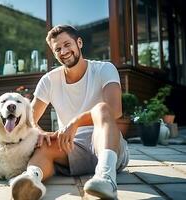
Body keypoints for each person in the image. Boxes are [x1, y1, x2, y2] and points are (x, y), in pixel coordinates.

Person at [10, 24, 129, 200]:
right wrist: (41, 133)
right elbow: (29, 118)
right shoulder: (49, 80)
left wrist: (76, 122)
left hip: (107, 142)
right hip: (71, 146)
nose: (63, 51)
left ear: (79, 43)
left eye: (67, 44)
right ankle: (31, 181)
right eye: (57, 48)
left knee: (101, 108)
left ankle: (106, 178)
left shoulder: (104, 69)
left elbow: (115, 110)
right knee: (45, 144)